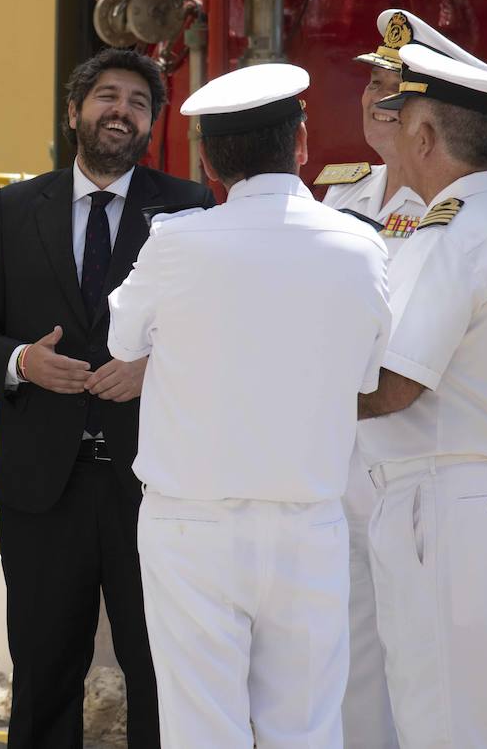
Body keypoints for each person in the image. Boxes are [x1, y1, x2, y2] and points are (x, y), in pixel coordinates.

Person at [110, 63, 391, 748]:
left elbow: (122, 341)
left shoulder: (175, 242)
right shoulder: (360, 243)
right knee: (306, 727)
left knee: (201, 728)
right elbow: (366, 374)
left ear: (208, 161)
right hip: (308, 524)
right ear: (300, 144)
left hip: (192, 525)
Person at [0, 48, 214, 748]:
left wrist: (153, 367)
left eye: (137, 101)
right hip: (41, 487)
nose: (120, 110)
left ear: (152, 124)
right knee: (42, 676)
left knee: (161, 673)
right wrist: (20, 362)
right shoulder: (11, 209)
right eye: (106, 95)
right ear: (74, 112)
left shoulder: (191, 211)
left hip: (152, 485)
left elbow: (220, 336)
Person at [358, 42, 487, 748]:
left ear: (422, 135)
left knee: (439, 719)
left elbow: (394, 388)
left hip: (440, 502)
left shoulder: (454, 237)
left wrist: (295, 389)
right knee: (486, 719)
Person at [315, 7, 487, 749]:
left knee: (425, 671)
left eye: (391, 85)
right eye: (368, 83)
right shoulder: (338, 193)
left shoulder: (457, 209)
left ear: (424, 109)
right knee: (347, 653)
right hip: (338, 453)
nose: (372, 97)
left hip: (414, 446)